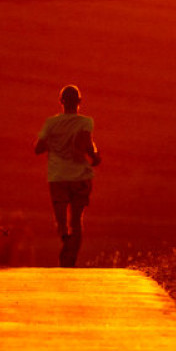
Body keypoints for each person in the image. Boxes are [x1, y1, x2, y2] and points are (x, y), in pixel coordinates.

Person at [34, 85, 100, 267]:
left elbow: (38, 148)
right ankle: (70, 259)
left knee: (62, 221)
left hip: (58, 178)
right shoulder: (85, 122)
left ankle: (66, 244)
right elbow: (88, 144)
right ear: (79, 102)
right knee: (77, 220)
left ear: (61, 102)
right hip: (80, 178)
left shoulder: (51, 124)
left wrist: (55, 142)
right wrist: (95, 156)